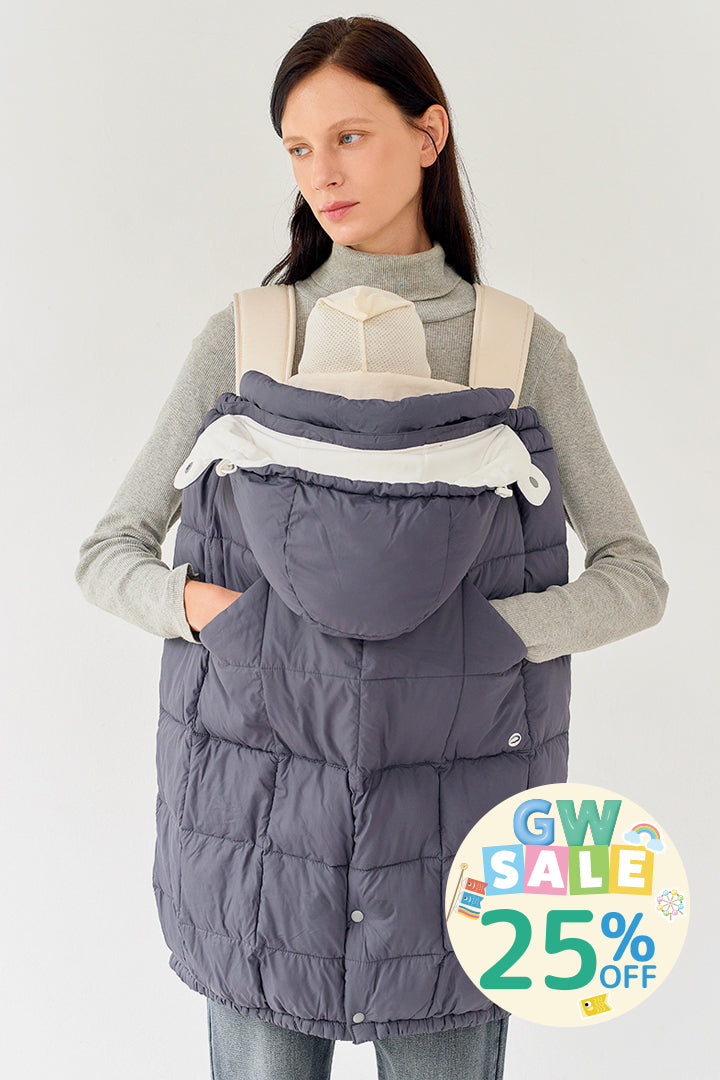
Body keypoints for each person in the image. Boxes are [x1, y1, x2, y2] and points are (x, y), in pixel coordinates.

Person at [74, 14, 669, 1080]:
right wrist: (216, 615)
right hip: (253, 841)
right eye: (300, 148)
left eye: (350, 136)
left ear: (429, 133)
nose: (322, 173)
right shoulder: (250, 339)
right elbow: (110, 552)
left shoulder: (514, 350)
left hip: (461, 852)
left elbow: (635, 576)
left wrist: (488, 639)